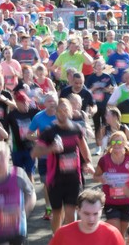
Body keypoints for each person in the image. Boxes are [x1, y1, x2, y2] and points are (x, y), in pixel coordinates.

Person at [31, 98, 95, 233]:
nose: (63, 113)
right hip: (55, 179)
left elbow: (84, 147)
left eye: (66, 110)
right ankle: (57, 239)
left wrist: (88, 162)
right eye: (60, 110)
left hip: (73, 178)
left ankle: (69, 240)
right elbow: (34, 153)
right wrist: (51, 149)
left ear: (71, 112)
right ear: (56, 113)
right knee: (57, 213)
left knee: (71, 213)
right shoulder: (49, 132)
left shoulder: (76, 129)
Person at [0, 141, 36, 245]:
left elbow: (32, 194)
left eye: (1, 156)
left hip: (18, 228)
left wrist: (25, 208)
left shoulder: (19, 174)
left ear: (8, 157)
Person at [93, 131, 129, 235]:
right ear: (111, 143)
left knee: (121, 234)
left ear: (125, 143)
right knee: (115, 231)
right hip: (110, 202)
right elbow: (95, 177)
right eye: (114, 141)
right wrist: (101, 178)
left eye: (119, 141)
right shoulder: (104, 160)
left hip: (127, 202)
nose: (116, 144)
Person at [49, 189, 125, 245]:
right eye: (86, 214)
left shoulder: (112, 234)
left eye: (95, 214)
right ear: (78, 210)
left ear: (101, 211)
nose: (91, 219)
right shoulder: (62, 233)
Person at [26, 93, 58, 220]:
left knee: (58, 182)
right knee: (46, 183)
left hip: (59, 155)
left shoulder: (61, 115)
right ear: (44, 103)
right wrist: (41, 138)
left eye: (53, 101)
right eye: (49, 101)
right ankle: (48, 207)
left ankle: (58, 207)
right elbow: (29, 134)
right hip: (44, 155)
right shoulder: (38, 117)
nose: (51, 103)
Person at [86, 59, 116, 155]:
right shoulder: (91, 77)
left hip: (105, 104)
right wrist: (93, 88)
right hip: (95, 105)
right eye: (97, 65)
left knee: (105, 125)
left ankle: (105, 145)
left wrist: (106, 89)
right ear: (94, 67)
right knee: (97, 125)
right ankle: (98, 146)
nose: (99, 67)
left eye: (100, 65)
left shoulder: (108, 76)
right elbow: (87, 91)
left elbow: (114, 89)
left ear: (103, 66)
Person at [8, 91, 39, 182]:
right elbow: (5, 131)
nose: (26, 105)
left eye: (27, 102)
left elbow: (42, 122)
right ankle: (20, 195)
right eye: (23, 103)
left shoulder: (33, 112)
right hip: (17, 149)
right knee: (18, 175)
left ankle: (31, 194)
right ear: (17, 103)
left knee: (29, 173)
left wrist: (32, 136)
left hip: (31, 148)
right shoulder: (12, 115)